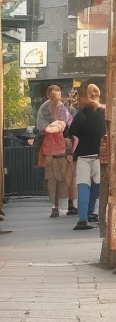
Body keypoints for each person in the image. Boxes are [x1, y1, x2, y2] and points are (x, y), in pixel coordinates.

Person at [64, 83, 106, 230]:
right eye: (92, 94)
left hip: (83, 155)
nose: (94, 97)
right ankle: (88, 213)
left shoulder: (81, 114)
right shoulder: (102, 112)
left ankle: (84, 218)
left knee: (84, 185)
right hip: (98, 155)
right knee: (95, 185)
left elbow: (71, 131)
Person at [36, 85, 76, 217]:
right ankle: (55, 205)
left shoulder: (63, 108)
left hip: (62, 149)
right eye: (54, 97)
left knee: (67, 177)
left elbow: (69, 124)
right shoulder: (44, 109)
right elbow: (42, 128)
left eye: (58, 97)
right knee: (52, 178)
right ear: (49, 96)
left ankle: (68, 203)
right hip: (50, 150)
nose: (57, 101)